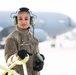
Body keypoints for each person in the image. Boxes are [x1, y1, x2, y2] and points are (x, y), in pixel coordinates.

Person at [4, 7, 45, 75]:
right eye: (20, 19)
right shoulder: (12, 38)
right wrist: (18, 55)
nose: (23, 21)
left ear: (31, 21)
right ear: (16, 21)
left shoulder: (34, 38)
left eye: (26, 19)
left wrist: (40, 62)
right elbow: (9, 61)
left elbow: (36, 55)